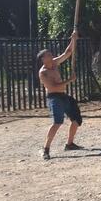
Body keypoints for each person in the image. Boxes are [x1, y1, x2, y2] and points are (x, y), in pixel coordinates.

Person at [38, 31, 82, 160]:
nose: (52, 56)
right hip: (54, 98)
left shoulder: (54, 63)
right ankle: (45, 149)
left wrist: (73, 39)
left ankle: (69, 144)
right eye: (49, 55)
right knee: (57, 123)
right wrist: (69, 80)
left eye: (51, 54)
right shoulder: (43, 73)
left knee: (76, 120)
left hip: (63, 96)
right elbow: (53, 87)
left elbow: (67, 53)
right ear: (43, 59)